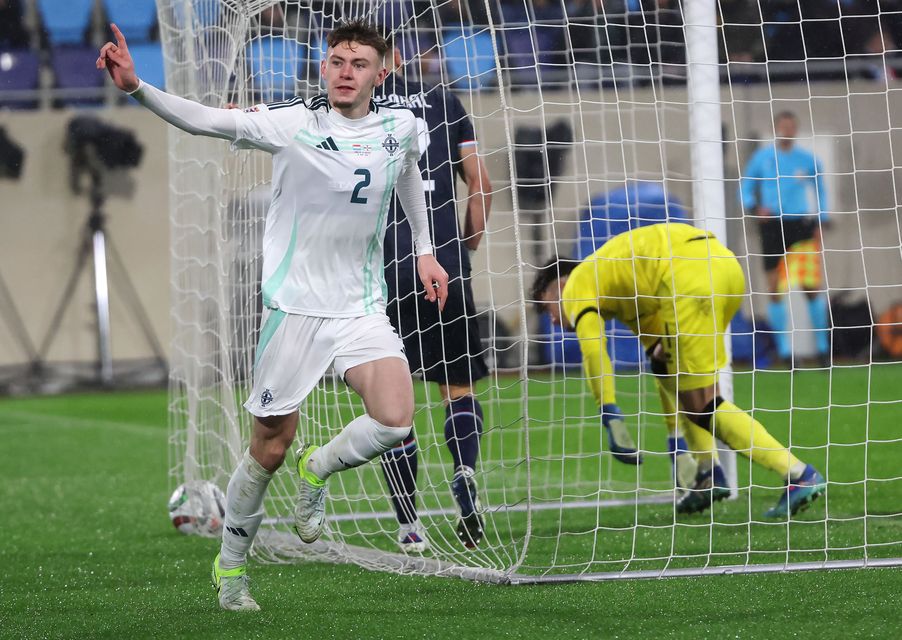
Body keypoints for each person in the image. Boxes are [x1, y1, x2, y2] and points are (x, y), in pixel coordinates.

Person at [97, 21, 449, 611]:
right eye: (335, 60)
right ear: (324, 67)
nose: (343, 71)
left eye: (357, 63)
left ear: (380, 73)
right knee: (269, 446)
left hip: (360, 307)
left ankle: (320, 470)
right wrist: (138, 87)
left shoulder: (402, 127)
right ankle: (231, 567)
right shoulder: (294, 124)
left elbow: (410, 174)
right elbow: (207, 119)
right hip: (294, 310)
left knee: (394, 420)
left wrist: (424, 249)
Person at [530, 222, 826, 518]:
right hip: (724, 268)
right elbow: (663, 366)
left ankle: (798, 473)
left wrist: (610, 413)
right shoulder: (623, 287)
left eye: (547, 309)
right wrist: (675, 439)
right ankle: (709, 474)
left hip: (687, 280)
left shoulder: (578, 283)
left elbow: (594, 350)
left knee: (704, 406)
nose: (553, 321)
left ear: (560, 287)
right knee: (683, 379)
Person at [376, 38, 493, 551]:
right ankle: (465, 476)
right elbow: (481, 184)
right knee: (459, 387)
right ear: (406, 55)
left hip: (383, 267)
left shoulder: (360, 103)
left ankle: (408, 524)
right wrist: (464, 245)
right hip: (445, 265)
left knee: (390, 405)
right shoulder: (446, 100)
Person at [740, 111, 830, 365]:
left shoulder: (808, 160)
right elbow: (745, 188)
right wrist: (754, 207)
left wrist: (821, 220)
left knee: (810, 286)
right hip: (772, 226)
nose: (787, 130)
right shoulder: (763, 158)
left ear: (796, 129)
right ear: (776, 128)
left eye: (791, 126)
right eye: (783, 126)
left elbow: (820, 190)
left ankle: (823, 349)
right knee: (775, 287)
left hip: (800, 226)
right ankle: (785, 352)